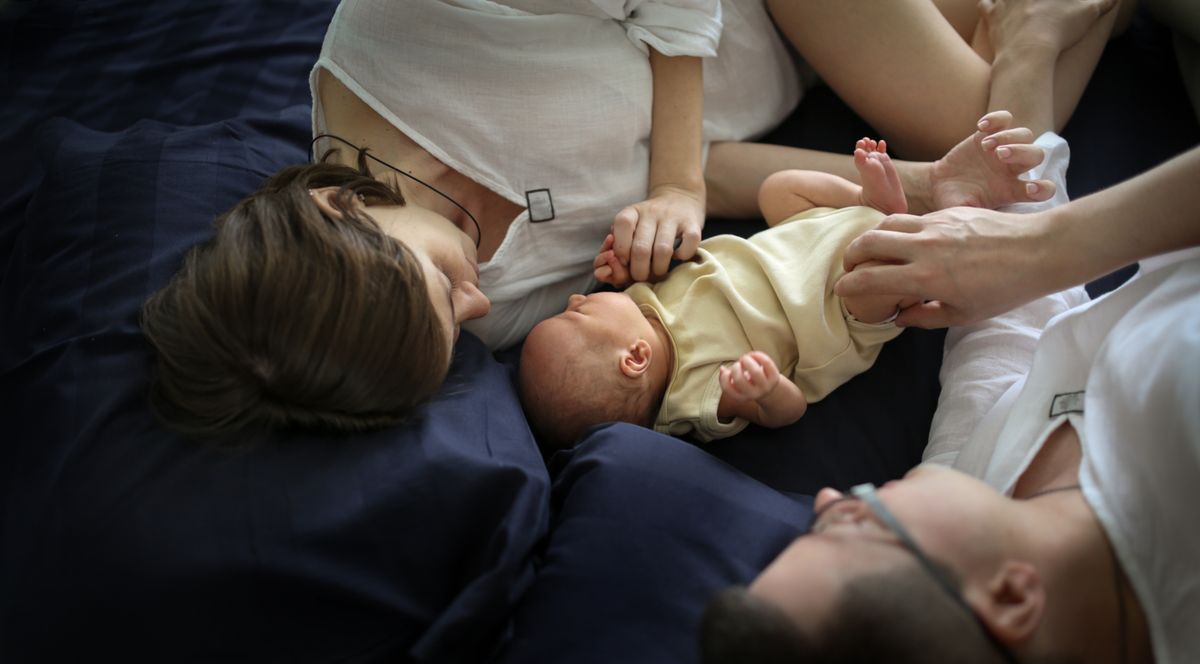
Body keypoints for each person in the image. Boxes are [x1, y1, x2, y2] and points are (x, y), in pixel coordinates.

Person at [140, 0, 1124, 441]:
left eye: (441, 287)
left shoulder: (409, 28)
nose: (483, 300)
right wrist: (918, 186)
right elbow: (714, 169)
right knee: (990, 140)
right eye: (459, 325)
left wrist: (671, 183)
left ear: (330, 204)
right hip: (798, 60)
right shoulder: (516, 315)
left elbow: (680, 174)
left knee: (978, 99)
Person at [698, 124, 1200, 664]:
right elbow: (1025, 261)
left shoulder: (976, 492)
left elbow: (1006, 317)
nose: (826, 497)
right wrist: (1043, 247)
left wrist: (1026, 76)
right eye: (853, 523)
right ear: (1011, 597)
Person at [518, 117, 1054, 449]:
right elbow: (788, 411)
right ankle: (908, 227)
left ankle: (870, 207)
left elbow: (664, 255)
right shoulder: (692, 398)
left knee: (779, 189)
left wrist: (630, 264)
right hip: (832, 308)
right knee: (874, 281)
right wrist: (764, 392)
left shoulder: (640, 303)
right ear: (634, 359)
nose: (577, 296)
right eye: (576, 314)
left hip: (799, 237)